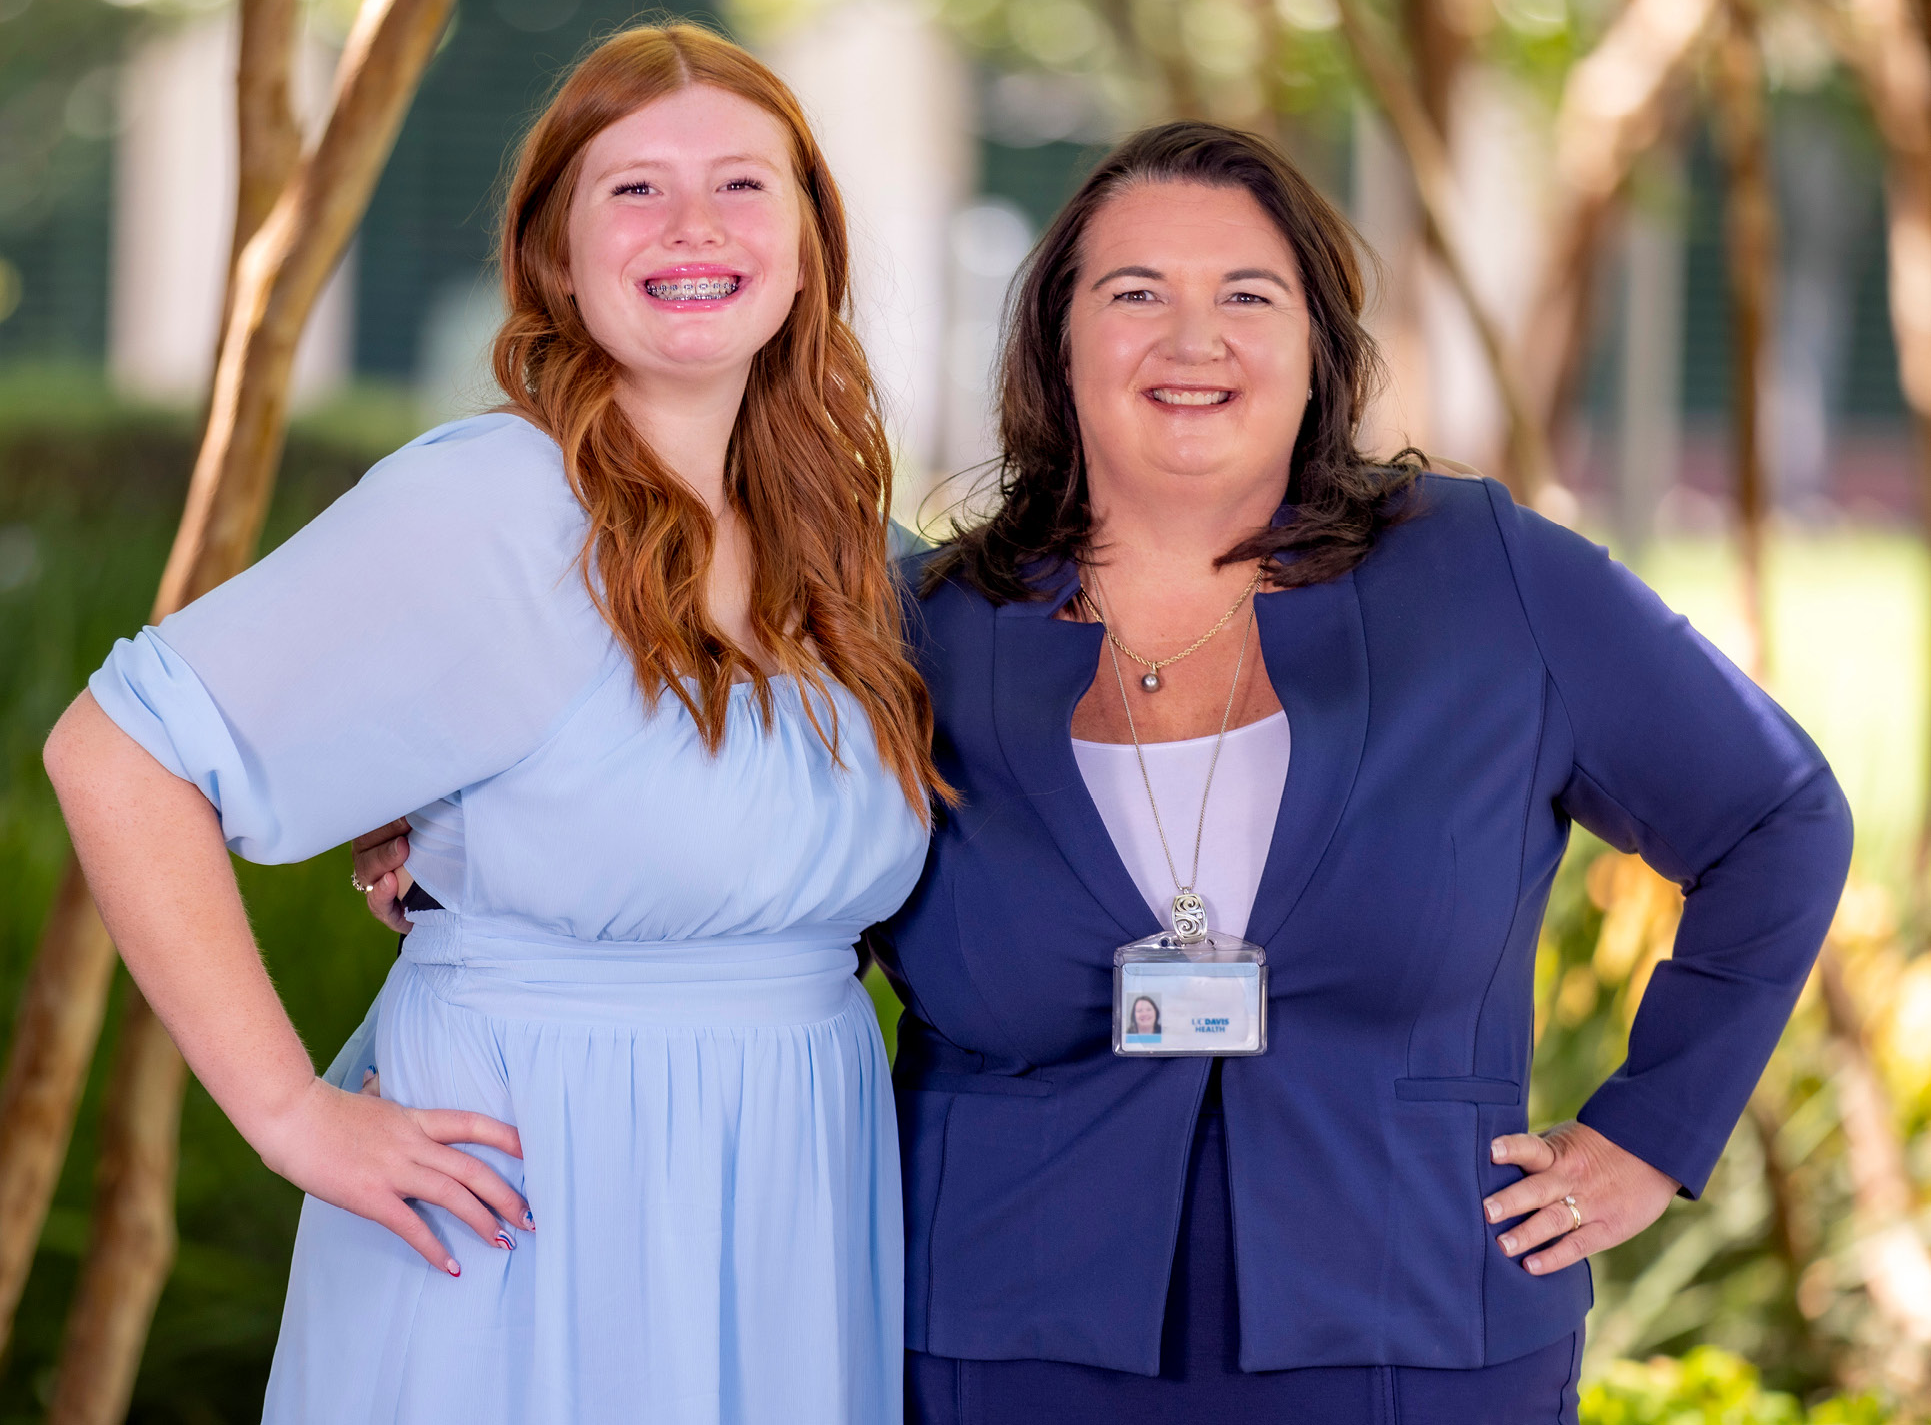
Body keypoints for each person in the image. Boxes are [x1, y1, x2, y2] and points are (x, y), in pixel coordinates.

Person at [354, 122, 1850, 1421]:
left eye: (1245, 296)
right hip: (998, 1339)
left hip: (1419, 1335)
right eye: (1134, 294)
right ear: (1056, 344)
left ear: (1317, 344)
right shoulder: (924, 627)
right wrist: (479, 841)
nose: (1191, 340)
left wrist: (1651, 1131)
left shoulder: (1492, 580)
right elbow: (753, 854)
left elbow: (1777, 816)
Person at [44, 24, 944, 1425]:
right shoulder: (492, 505)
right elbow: (116, 749)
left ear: (812, 241)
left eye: (741, 185)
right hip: (530, 1192)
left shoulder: (850, 555)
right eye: (633, 188)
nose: (692, 225)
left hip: (791, 1189)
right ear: (554, 254)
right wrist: (290, 1114)